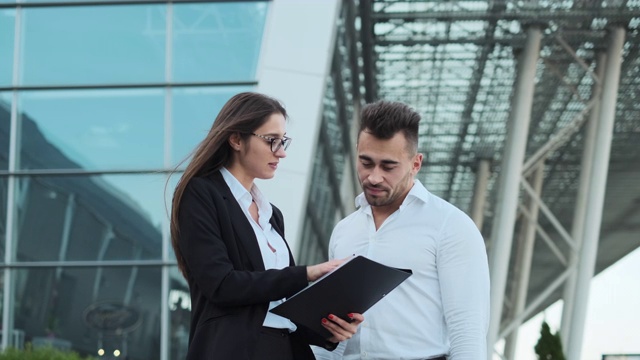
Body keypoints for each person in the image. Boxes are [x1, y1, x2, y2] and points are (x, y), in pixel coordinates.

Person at [170, 92, 364, 360]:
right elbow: (221, 285)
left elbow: (281, 308)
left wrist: (328, 329)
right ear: (236, 139)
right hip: (233, 350)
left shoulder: (272, 215)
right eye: (272, 141)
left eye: (283, 141)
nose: (281, 153)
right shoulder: (202, 194)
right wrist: (305, 273)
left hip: (285, 349)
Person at [313, 100, 490, 360]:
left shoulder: (450, 225)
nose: (373, 177)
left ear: (415, 163)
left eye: (388, 166)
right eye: (366, 162)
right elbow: (334, 331)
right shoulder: (344, 230)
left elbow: (468, 331)